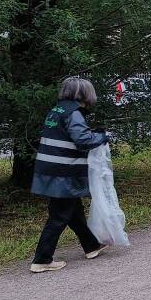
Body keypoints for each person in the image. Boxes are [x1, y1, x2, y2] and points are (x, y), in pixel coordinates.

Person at [29, 76, 110, 273]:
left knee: (73, 211)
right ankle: (42, 259)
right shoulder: (73, 113)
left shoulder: (57, 110)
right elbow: (82, 140)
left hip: (52, 169)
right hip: (63, 172)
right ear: (83, 94)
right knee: (59, 216)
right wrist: (102, 137)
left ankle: (91, 245)